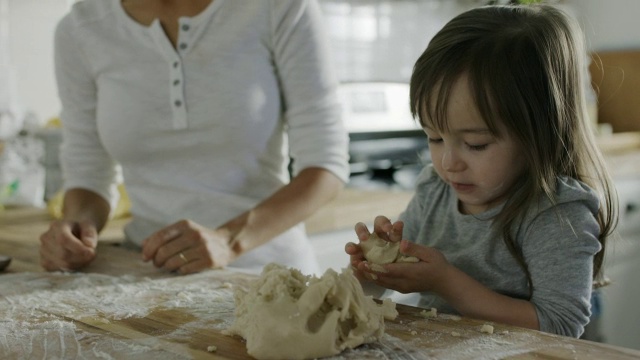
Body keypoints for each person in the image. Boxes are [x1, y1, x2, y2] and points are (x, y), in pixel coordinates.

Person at [345, 4, 617, 338]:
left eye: (475, 144)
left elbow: (560, 324)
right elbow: (392, 282)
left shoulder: (557, 213)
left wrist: (446, 282)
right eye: (435, 137)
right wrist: (370, 273)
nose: (448, 163)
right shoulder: (434, 192)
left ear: (538, 135)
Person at [39, 0, 350, 276]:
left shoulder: (278, 7)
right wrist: (76, 226)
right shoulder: (80, 29)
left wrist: (228, 240)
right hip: (146, 278)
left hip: (270, 279)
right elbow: (88, 172)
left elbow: (325, 165)